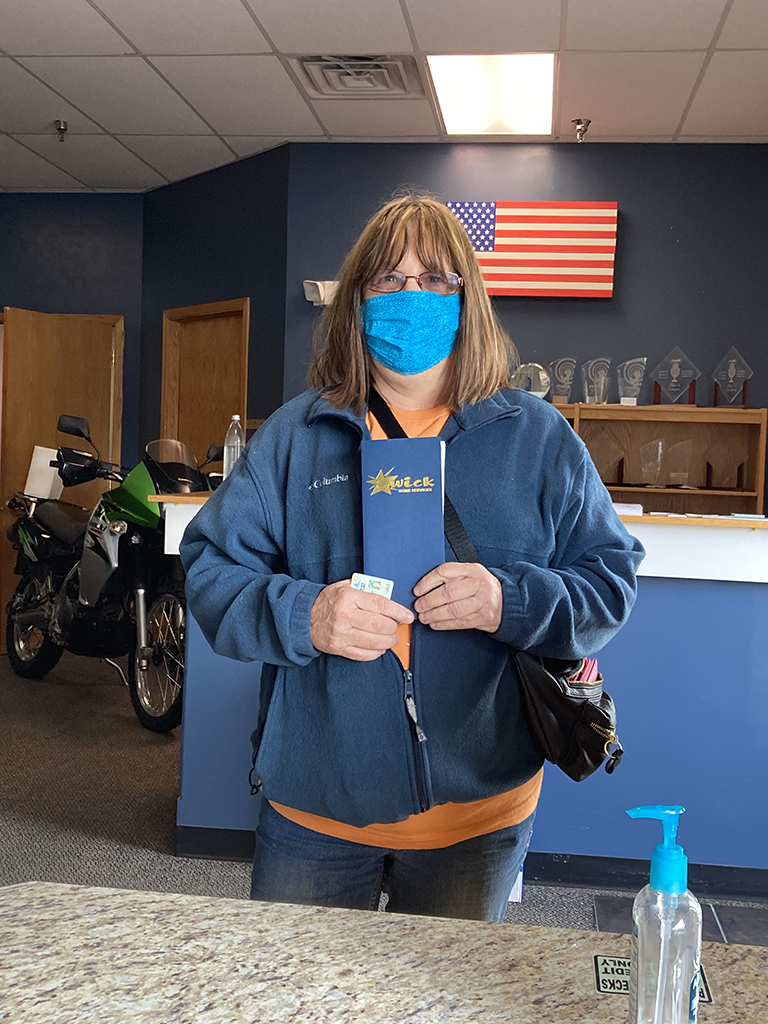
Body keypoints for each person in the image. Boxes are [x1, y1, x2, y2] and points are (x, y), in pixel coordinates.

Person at [180, 193, 645, 923]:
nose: (410, 295)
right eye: (389, 279)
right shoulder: (296, 436)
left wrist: (507, 601)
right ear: (358, 301)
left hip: (479, 816)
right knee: (296, 988)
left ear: (466, 299)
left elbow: (610, 583)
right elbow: (209, 573)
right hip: (315, 813)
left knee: (446, 989)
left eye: (433, 278)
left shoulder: (538, 437)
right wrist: (307, 614)